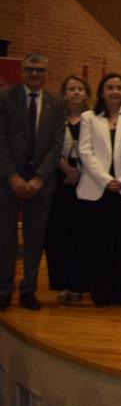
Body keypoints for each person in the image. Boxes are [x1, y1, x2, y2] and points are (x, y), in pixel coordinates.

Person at [0, 53, 67, 311]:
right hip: (8, 181)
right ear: (21, 72)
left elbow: (56, 143)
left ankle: (29, 289)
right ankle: (4, 289)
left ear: (48, 74)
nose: (35, 74)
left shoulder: (56, 103)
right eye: (30, 70)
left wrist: (40, 176)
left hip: (42, 183)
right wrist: (12, 176)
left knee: (34, 238)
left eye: (40, 70)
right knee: (5, 238)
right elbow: (1, 139)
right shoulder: (5, 98)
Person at [77, 73, 121, 306]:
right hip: (97, 188)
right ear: (102, 91)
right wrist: (105, 179)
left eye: (119, 87)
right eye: (109, 87)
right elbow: (85, 151)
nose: (114, 91)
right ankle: (101, 292)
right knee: (99, 241)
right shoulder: (89, 117)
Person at [45, 74, 90, 305]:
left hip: (86, 180)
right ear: (64, 93)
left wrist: (80, 172)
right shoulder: (55, 118)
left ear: (86, 94)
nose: (75, 92)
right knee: (59, 234)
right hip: (60, 180)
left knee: (81, 235)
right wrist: (67, 169)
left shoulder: (92, 119)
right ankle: (62, 284)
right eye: (71, 88)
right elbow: (49, 147)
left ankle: (79, 284)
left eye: (80, 89)